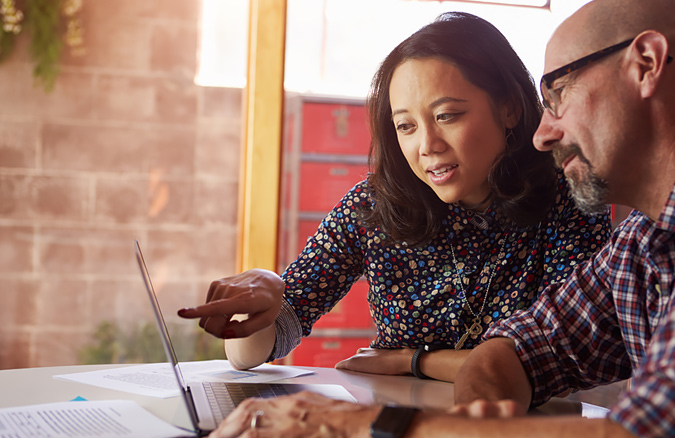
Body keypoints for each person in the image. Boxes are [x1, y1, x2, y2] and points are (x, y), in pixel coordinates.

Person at [204, 0, 675, 437]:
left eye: (559, 94)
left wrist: (367, 423)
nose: (545, 132)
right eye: (406, 125)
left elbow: (659, 431)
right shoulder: (645, 239)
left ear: (646, 63)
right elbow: (522, 348)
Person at [178, 11, 610, 383]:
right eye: (406, 126)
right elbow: (254, 353)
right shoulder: (374, 206)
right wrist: (267, 296)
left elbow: (563, 357)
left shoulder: (568, 199)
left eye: (447, 116)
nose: (428, 145)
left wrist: (415, 362)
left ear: (509, 108)